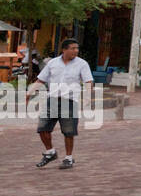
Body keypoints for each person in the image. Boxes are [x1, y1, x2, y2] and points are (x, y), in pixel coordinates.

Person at [27, 38, 94, 169]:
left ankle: (68, 158)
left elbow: (88, 81)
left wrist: (87, 97)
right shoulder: (52, 63)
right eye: (73, 48)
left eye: (77, 48)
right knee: (42, 129)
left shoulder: (82, 64)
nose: (76, 51)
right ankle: (50, 152)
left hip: (69, 102)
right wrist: (29, 93)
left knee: (69, 132)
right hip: (52, 100)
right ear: (64, 50)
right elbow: (41, 80)